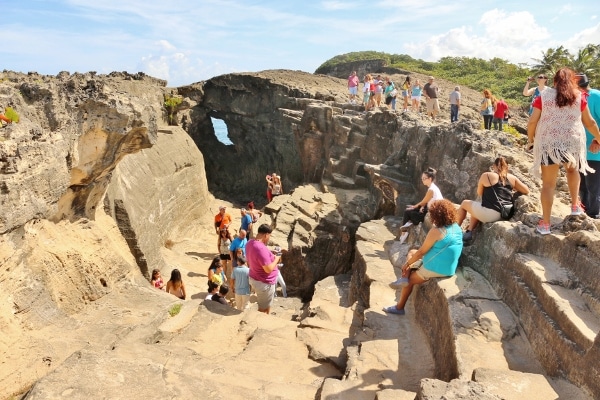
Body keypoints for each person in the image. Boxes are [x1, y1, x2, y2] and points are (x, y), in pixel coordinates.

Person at [527, 67, 600, 235]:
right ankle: (575, 206)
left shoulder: (543, 96)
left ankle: (545, 224)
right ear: (572, 81)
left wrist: (531, 140)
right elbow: (590, 123)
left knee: (548, 185)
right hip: (572, 143)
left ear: (554, 81)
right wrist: (599, 138)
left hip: (549, 143)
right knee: (573, 170)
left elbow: (532, 122)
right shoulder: (579, 96)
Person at [384, 199, 463, 315]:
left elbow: (421, 252)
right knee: (412, 252)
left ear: (435, 215)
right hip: (450, 267)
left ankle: (399, 307)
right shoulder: (456, 227)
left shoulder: (436, 231)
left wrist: (407, 264)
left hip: (436, 268)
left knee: (410, 278)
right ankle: (404, 277)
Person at [457, 157, 530, 241]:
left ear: (494, 166)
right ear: (507, 167)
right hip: (505, 214)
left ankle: (454, 231)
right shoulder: (512, 178)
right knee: (477, 206)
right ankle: (469, 231)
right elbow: (526, 190)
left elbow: (479, 193)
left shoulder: (487, 175)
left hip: (490, 215)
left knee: (464, 203)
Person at [398, 167, 443, 244]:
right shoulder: (433, 187)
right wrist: (420, 206)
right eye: (422, 178)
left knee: (408, 211)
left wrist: (415, 206)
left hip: (433, 212)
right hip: (430, 208)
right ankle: (407, 225)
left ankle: (404, 232)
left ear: (430, 178)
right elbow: (425, 202)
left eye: (424, 178)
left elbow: (423, 202)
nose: (422, 180)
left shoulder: (431, 189)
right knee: (412, 210)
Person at [577, 73, 600, 219]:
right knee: (582, 185)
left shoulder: (596, 96)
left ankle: (594, 215)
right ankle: (585, 213)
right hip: (579, 150)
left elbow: (592, 122)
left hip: (594, 151)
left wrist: (597, 140)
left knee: (594, 187)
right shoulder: (575, 98)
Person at [246, 224, 282, 314]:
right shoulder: (261, 248)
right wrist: (277, 258)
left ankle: (267, 316)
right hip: (264, 282)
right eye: (269, 236)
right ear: (266, 235)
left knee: (266, 304)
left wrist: (269, 253)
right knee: (262, 309)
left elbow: (256, 257)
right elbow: (268, 269)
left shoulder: (250, 243)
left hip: (255, 277)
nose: (269, 238)